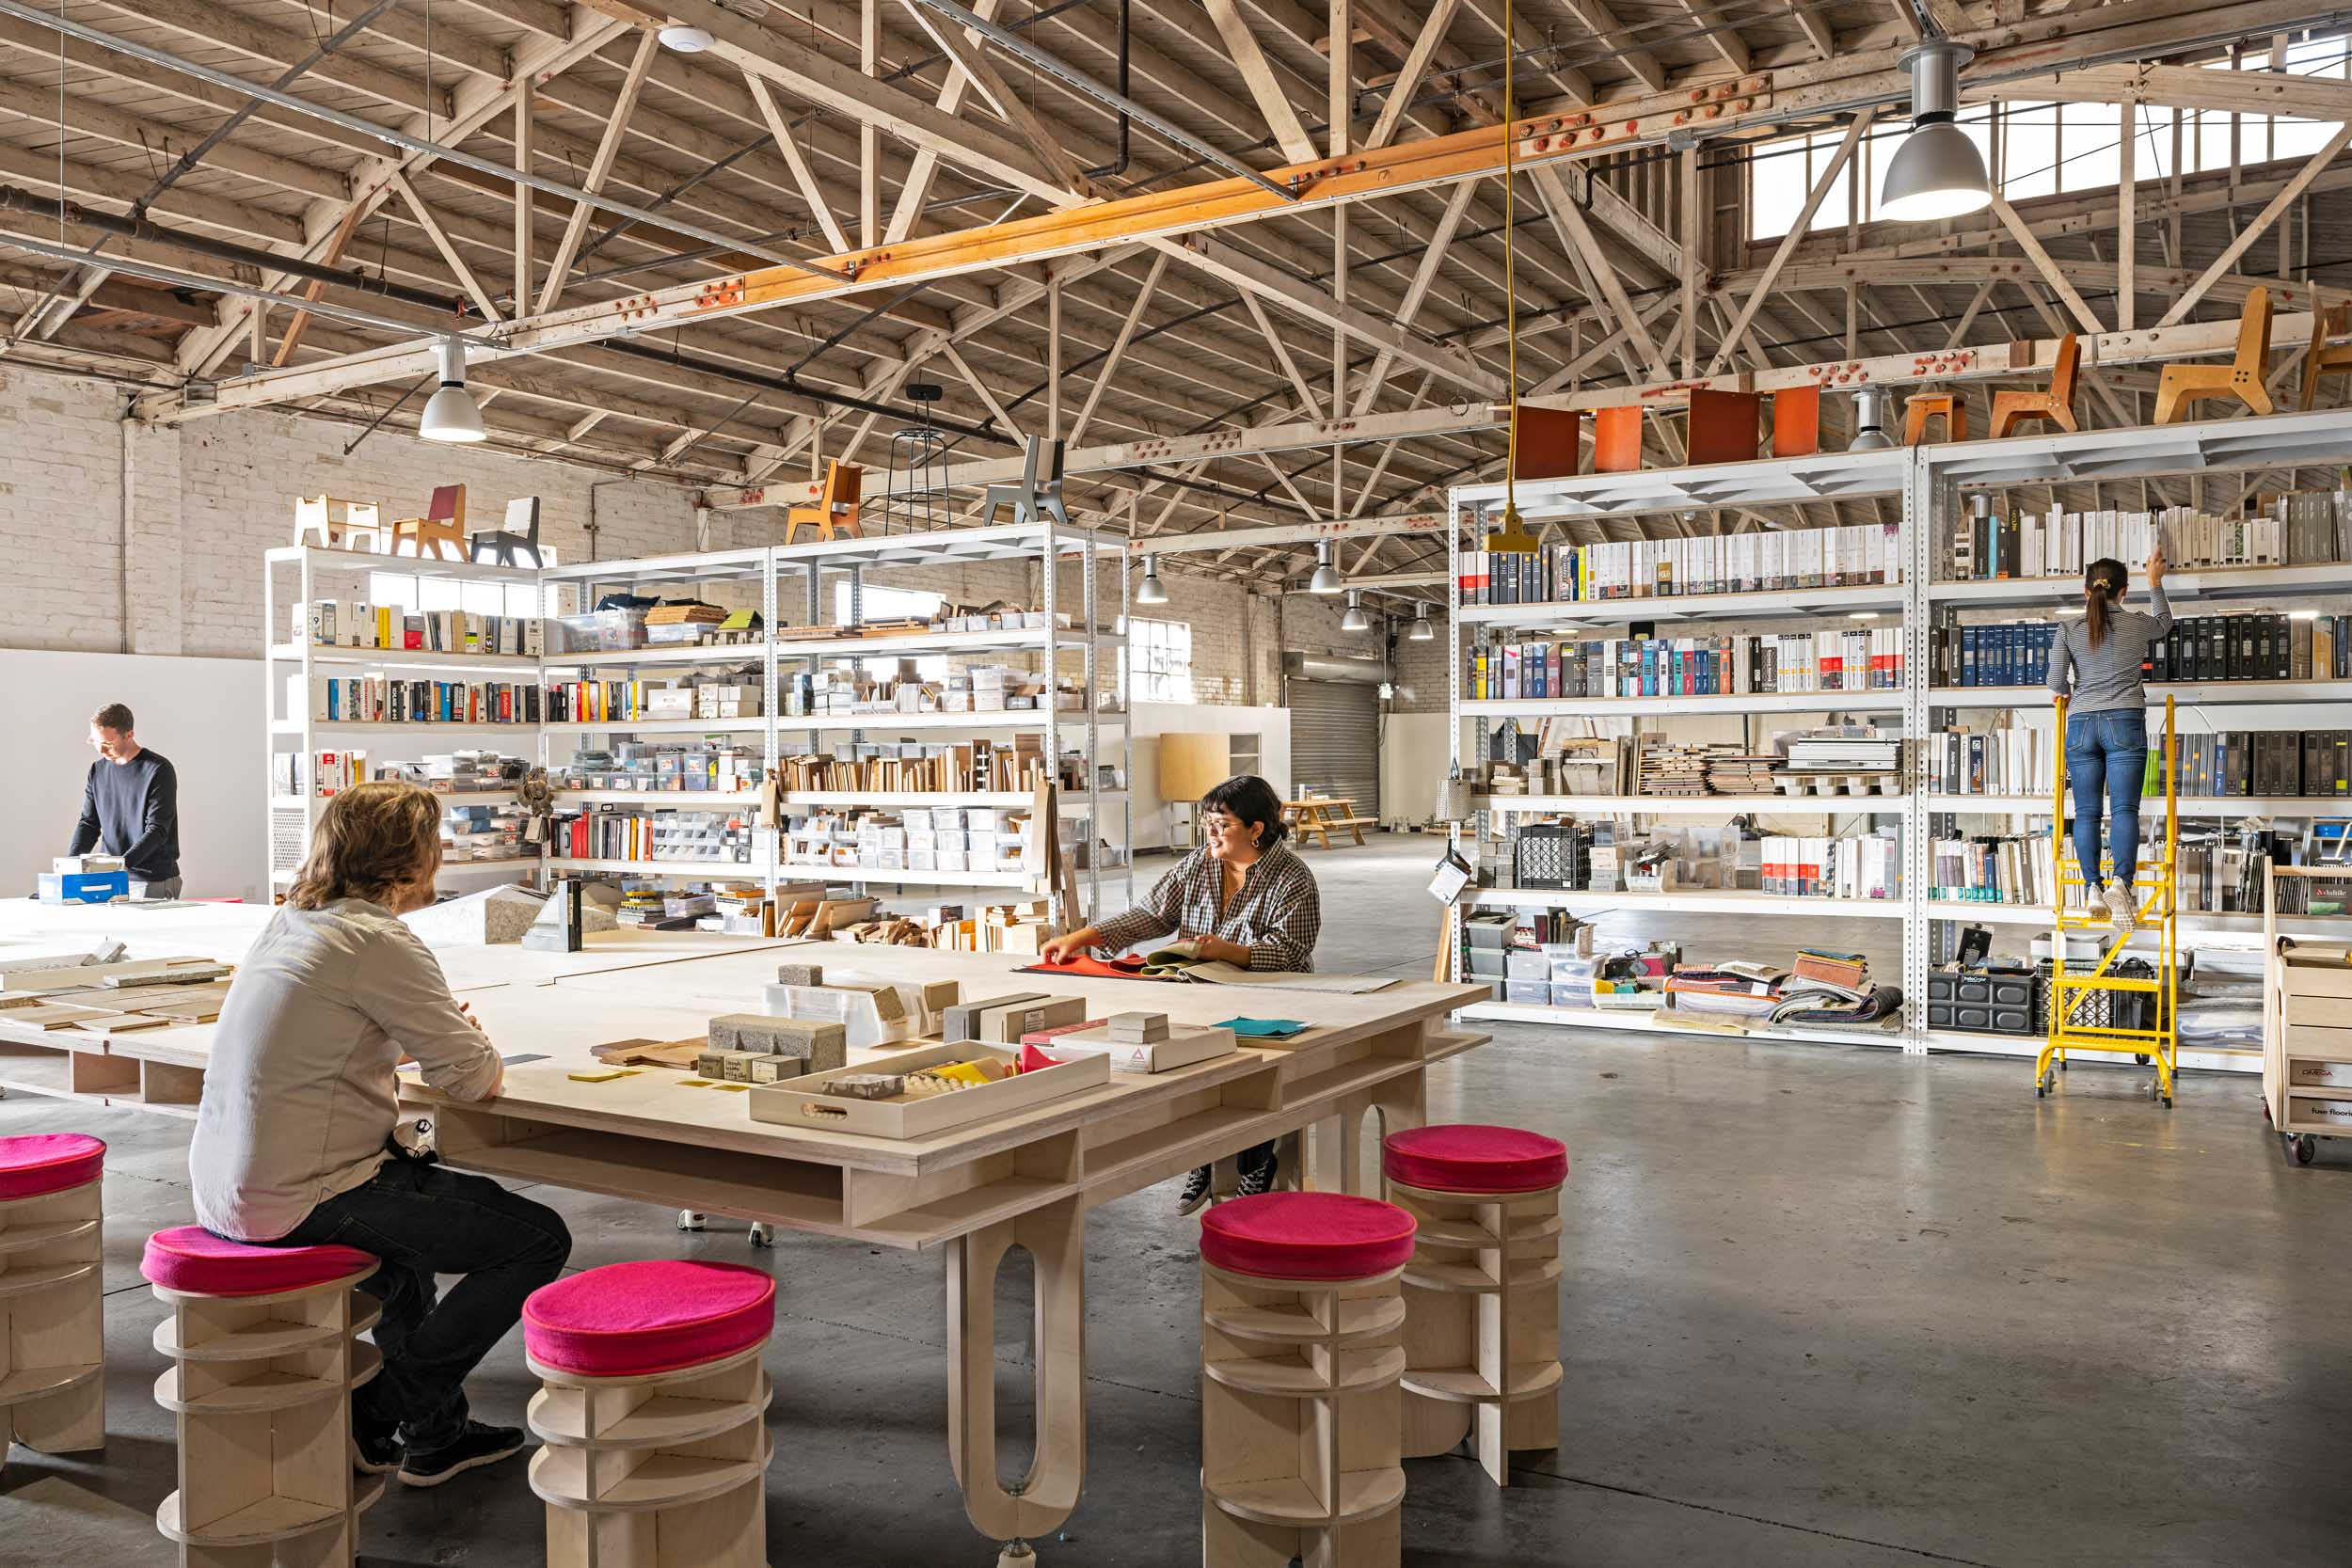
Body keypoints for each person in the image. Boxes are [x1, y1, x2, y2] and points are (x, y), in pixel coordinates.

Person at [189, 781, 571, 1487]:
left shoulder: (293, 922)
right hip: (302, 1192)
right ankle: (381, 1409)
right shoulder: (379, 939)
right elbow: (473, 1078)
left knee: (403, 1259)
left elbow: (327, 1040)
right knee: (538, 1237)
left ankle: (436, 1436)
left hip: (224, 1184)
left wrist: (412, 1036)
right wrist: (460, 1038)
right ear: (409, 858)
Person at [1041, 774, 1319, 1213]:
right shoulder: (1198, 864)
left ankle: (1257, 1163)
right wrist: (1083, 937)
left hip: (1270, 1000)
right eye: (1206, 822)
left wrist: (1227, 950)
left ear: (1256, 829)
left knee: (1256, 1078)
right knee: (1195, 1075)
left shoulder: (1292, 879)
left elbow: (1291, 951)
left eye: (1221, 824)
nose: (1209, 832)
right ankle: (1202, 1160)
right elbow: (1151, 914)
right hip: (1200, 995)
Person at [2045, 547, 2171, 932]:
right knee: (2124, 811)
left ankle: (2091, 889)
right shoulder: (2136, 623)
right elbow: (2165, 622)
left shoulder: (2068, 629)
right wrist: (2155, 581)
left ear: (2086, 592)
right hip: (2125, 720)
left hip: (2081, 724)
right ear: (2123, 592)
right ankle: (2122, 883)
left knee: (2085, 813)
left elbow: (2054, 684)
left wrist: (2068, 693)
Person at [69, 702, 181, 898]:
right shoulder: (98, 771)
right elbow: (89, 823)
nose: (101, 750)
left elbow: (157, 830)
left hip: (151, 878)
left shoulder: (158, 770)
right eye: (95, 741)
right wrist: (68, 868)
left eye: (108, 744)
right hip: (112, 876)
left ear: (129, 735)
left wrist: (120, 864)